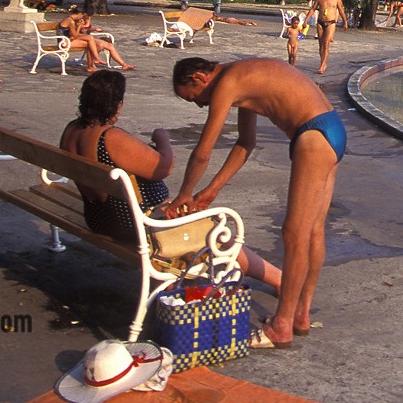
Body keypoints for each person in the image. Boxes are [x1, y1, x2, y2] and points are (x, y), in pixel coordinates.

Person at [169, 57, 345, 349]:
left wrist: (184, 194)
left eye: (195, 99)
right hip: (331, 129)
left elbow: (203, 150)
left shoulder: (227, 83)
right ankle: (300, 315)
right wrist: (211, 191)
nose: (200, 106)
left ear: (200, 78)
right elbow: (244, 143)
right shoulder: (240, 78)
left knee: (294, 234)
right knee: (313, 230)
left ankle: (281, 326)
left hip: (312, 136)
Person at [60, 70, 282, 291]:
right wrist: (162, 139)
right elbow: (162, 167)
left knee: (184, 215)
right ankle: (279, 280)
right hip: (134, 226)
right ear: (116, 104)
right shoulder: (109, 137)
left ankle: (169, 286)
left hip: (99, 218)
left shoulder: (71, 130)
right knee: (216, 232)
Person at [61, 6, 136, 71]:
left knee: (109, 45)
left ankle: (123, 64)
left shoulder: (75, 20)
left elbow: (82, 32)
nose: (83, 17)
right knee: (94, 43)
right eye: (83, 15)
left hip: (75, 38)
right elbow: (74, 35)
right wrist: (80, 26)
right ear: (80, 14)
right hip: (66, 41)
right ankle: (92, 64)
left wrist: (86, 28)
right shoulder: (70, 20)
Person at [304, 0, 346, 75]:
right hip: (320, 22)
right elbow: (313, 9)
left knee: (326, 43)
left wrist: (345, 21)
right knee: (321, 44)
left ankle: (323, 65)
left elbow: (341, 9)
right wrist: (306, 20)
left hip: (331, 23)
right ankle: (322, 61)